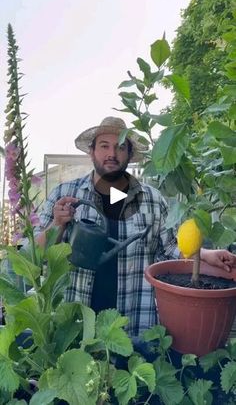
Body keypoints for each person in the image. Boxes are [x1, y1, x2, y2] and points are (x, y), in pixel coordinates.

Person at [36, 116, 236, 337]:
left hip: (133, 321)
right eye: (104, 146)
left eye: (120, 147)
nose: (111, 154)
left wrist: (205, 254)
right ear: (91, 151)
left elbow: (169, 248)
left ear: (129, 155)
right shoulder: (64, 195)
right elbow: (35, 255)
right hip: (75, 322)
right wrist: (57, 225)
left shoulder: (151, 199)